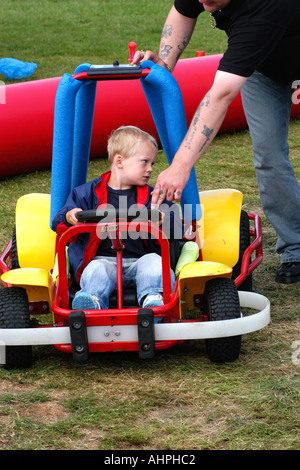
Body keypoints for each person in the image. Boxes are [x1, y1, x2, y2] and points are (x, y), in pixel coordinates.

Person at [132, 0, 300, 284]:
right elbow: (182, 12)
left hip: (279, 37)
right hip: (264, 66)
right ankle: (295, 247)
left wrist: (181, 166)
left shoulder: (264, 9)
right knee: (268, 156)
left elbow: (221, 95)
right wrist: (164, 64)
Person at [51, 126, 181, 312]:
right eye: (144, 162)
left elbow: (178, 228)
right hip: (102, 260)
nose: (150, 169)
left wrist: (163, 219)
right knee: (96, 270)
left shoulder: (153, 196)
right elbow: (59, 224)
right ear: (119, 161)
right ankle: (91, 303)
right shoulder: (85, 194)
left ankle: (154, 300)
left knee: (154, 262)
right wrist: (70, 216)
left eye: (152, 163)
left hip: (140, 260)